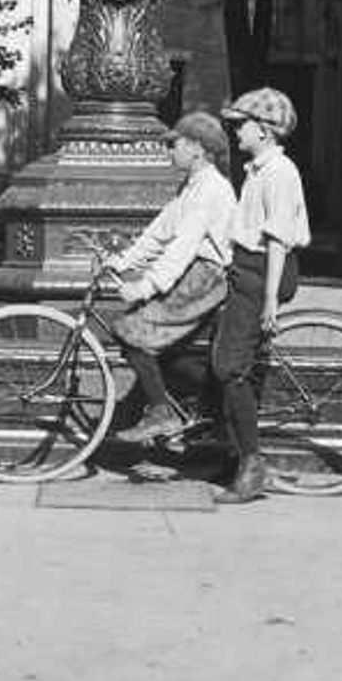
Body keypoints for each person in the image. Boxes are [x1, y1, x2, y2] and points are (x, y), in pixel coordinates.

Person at [98, 111, 239, 443]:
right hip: (194, 274)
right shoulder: (192, 186)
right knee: (142, 337)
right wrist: (122, 262)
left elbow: (183, 247)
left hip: (203, 278)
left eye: (176, 144)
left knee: (131, 331)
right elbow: (159, 232)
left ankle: (163, 413)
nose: (169, 150)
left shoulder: (210, 190)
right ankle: (194, 402)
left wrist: (145, 286)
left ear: (198, 149)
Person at [209, 86, 312, 505]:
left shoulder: (280, 174)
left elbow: (277, 242)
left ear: (265, 131)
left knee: (231, 368)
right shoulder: (258, 170)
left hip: (263, 272)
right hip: (247, 268)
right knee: (224, 363)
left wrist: (270, 300)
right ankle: (236, 455)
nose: (235, 132)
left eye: (241, 125)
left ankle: (252, 465)